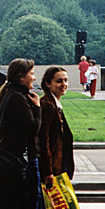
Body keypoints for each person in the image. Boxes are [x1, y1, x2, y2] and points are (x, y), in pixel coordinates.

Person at [0, 58, 47, 209]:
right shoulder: (17, 98)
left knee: (5, 200)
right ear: (21, 76)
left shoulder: (10, 94)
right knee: (14, 202)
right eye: (31, 74)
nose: (34, 78)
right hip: (15, 159)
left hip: (7, 156)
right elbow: (32, 128)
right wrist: (37, 108)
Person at [38, 67, 75, 197]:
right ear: (48, 84)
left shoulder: (54, 103)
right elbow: (44, 139)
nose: (64, 84)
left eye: (65, 80)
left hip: (57, 164)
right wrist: (48, 171)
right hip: (53, 166)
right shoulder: (47, 105)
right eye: (59, 81)